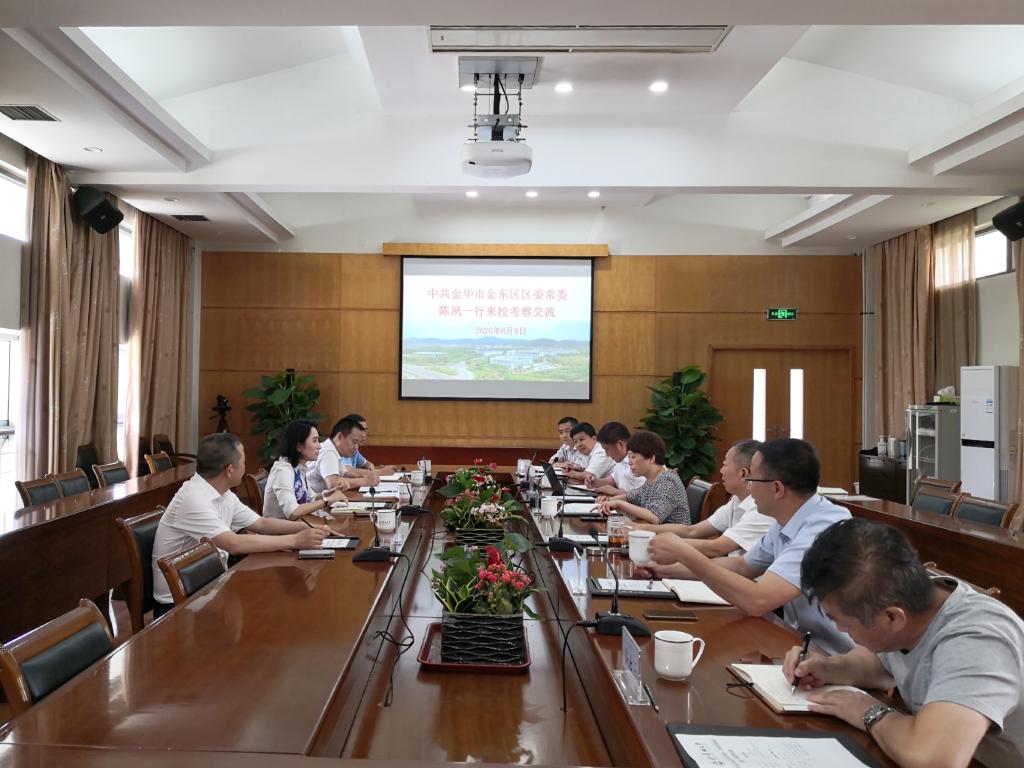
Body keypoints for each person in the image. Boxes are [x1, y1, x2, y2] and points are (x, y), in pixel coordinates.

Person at [784, 518, 1024, 768]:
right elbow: (880, 663)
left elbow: (936, 760)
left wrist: (867, 711)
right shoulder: (908, 598)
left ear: (892, 617)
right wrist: (828, 667)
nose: (840, 630)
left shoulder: (977, 643)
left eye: (843, 622)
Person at [647, 438, 853, 654]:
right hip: (803, 646)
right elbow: (742, 565)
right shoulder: (786, 517)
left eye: (752, 480)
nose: (749, 487)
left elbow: (758, 600)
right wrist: (664, 570)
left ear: (776, 488)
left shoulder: (823, 527)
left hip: (840, 658)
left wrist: (683, 552)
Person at [151, 433, 330, 617]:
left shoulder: (222, 492)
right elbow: (233, 543)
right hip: (178, 605)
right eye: (243, 462)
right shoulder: (193, 498)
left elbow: (260, 523)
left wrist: (306, 528)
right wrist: (295, 541)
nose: (245, 467)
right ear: (230, 470)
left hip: (209, 588)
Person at [630, 439, 772, 557]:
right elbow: (692, 531)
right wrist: (640, 528)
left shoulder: (760, 509)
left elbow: (716, 548)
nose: (721, 470)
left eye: (725, 465)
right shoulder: (737, 500)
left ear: (743, 473)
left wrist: (651, 541)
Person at [596, 430, 690, 525]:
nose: (629, 462)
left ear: (651, 458)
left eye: (633, 457)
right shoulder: (652, 479)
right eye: (629, 457)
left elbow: (655, 516)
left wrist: (618, 503)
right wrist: (609, 500)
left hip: (673, 534)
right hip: (653, 531)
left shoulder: (667, 481)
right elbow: (632, 496)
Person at [264, 420, 347, 520]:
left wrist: (327, 494)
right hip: (280, 529)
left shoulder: (299, 467)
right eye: (315, 441)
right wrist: (326, 501)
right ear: (299, 446)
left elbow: (310, 498)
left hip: (299, 525)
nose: (319, 446)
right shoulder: (283, 470)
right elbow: (293, 512)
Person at [584, 421, 645, 496]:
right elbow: (613, 480)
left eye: (607, 449)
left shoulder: (639, 462)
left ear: (620, 444)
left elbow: (643, 497)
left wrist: (616, 492)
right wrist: (595, 482)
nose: (607, 454)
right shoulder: (620, 460)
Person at [306, 417, 361, 495]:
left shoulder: (333, 451)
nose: (356, 447)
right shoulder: (328, 452)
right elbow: (333, 483)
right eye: (354, 442)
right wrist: (364, 481)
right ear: (339, 437)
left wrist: (368, 477)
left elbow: (346, 473)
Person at [337, 413, 397, 482]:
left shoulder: (355, 449)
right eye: (360, 430)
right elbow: (348, 471)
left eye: (365, 431)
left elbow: (367, 464)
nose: (363, 435)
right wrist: (381, 472)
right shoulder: (343, 447)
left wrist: (372, 471)